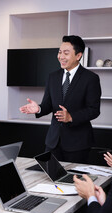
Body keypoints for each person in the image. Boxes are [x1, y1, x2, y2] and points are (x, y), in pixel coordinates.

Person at [19, 35, 101, 163]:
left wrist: (71, 117)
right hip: (53, 142)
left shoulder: (90, 78)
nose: (61, 56)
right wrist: (39, 108)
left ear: (78, 55)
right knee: (50, 180)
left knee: (72, 181)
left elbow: (94, 110)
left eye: (66, 53)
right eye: (59, 52)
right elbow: (48, 104)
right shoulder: (53, 77)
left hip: (78, 144)